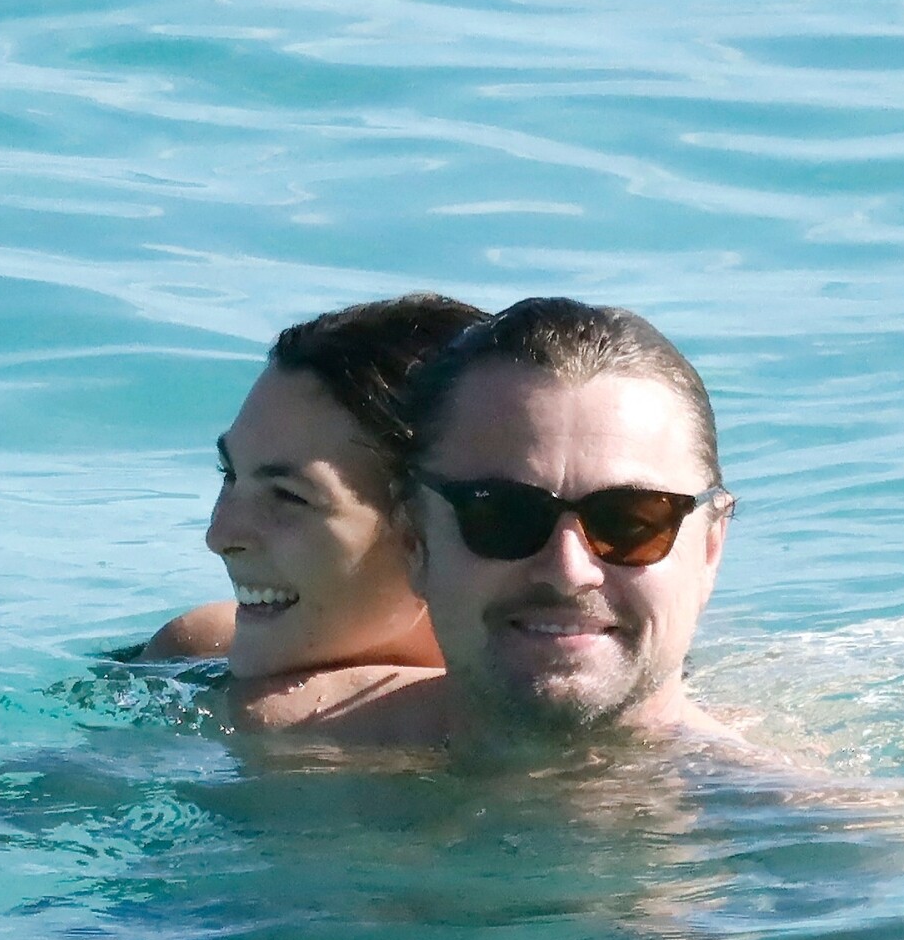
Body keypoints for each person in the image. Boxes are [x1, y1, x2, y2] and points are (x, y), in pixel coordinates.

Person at [279, 296, 757, 758]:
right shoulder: (279, 750)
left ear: (709, 550)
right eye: (505, 516)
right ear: (414, 543)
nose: (569, 572)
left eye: (630, 521)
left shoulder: (771, 809)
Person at [141, 292, 487, 731]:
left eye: (288, 497)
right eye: (229, 474)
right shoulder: (195, 650)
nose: (219, 536)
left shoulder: (544, 732)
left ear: (434, 532)